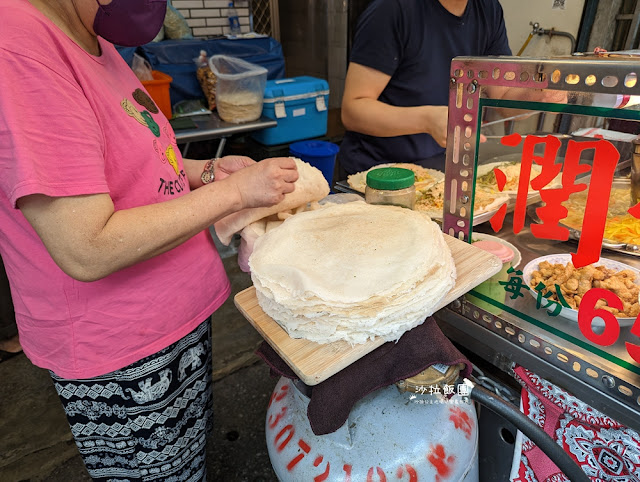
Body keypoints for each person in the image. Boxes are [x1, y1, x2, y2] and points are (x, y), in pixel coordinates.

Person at [0, 0, 298, 480]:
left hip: (174, 323)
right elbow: (86, 245)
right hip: (121, 351)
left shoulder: (91, 36)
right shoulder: (19, 50)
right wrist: (235, 192)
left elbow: (138, 149)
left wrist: (206, 171)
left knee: (185, 466)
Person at [335, 0, 512, 180]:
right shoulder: (393, 9)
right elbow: (353, 110)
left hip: (442, 172)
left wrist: (536, 95)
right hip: (378, 176)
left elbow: (503, 95)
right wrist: (428, 120)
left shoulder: (488, 10)